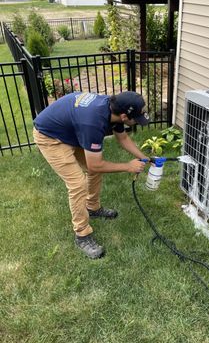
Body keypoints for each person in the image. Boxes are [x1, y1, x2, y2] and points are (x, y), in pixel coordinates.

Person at [33, 91, 150, 259]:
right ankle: (82, 235)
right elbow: (96, 165)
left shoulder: (112, 110)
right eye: (136, 118)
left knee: (93, 170)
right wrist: (128, 166)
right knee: (78, 183)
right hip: (50, 137)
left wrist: (143, 157)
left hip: (71, 130)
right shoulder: (93, 122)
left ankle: (92, 208)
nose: (137, 121)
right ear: (124, 116)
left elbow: (123, 138)